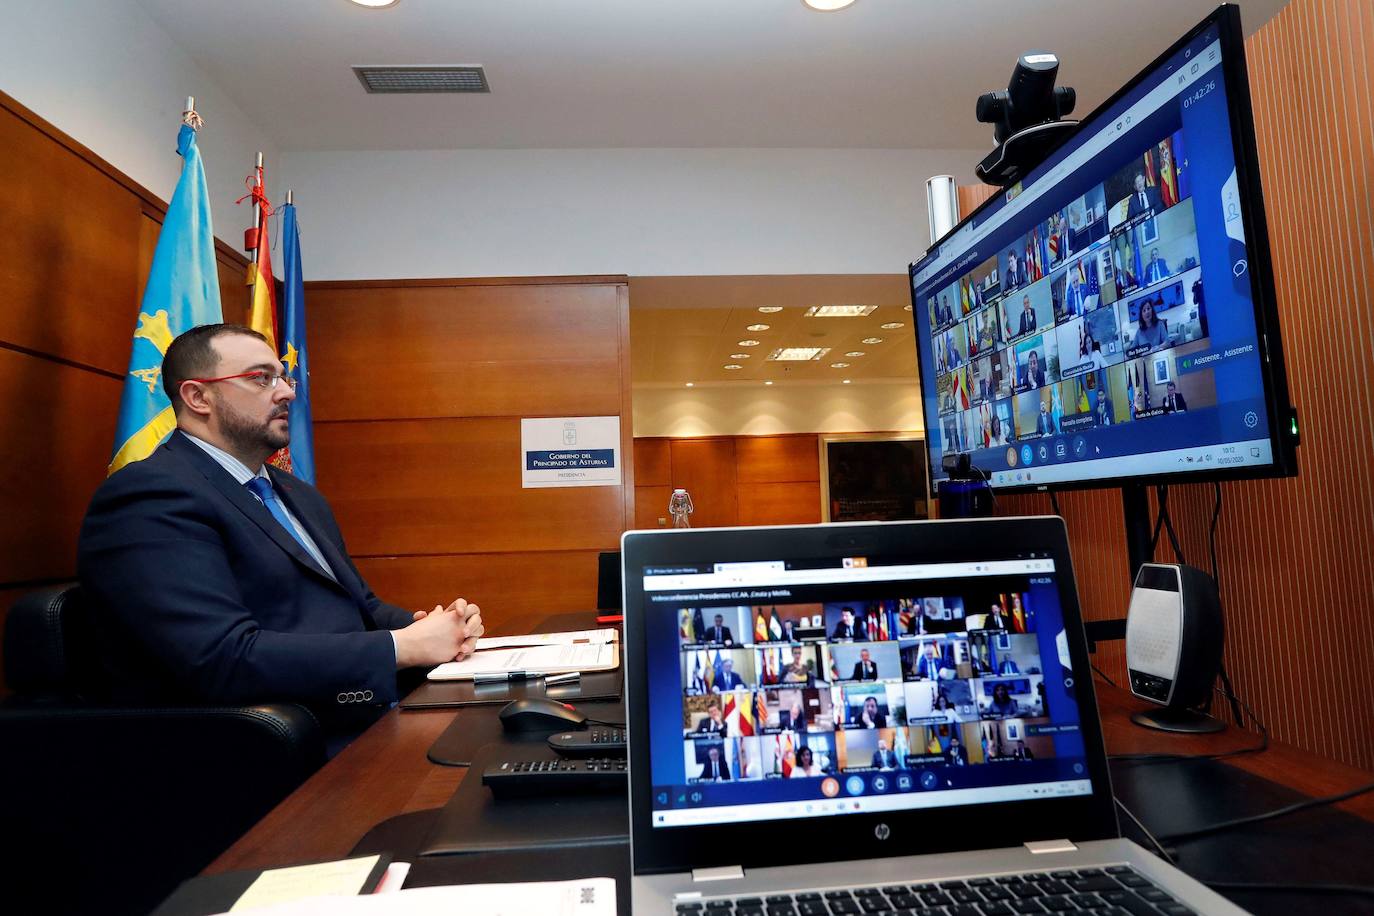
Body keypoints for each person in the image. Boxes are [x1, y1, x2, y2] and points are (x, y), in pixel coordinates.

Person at [77, 324, 483, 751]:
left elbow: (361, 608)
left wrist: (443, 633)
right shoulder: (149, 496)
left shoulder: (295, 493)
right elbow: (221, 659)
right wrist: (398, 647)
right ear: (198, 397)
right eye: (260, 378)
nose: (287, 393)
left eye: (283, 378)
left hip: (356, 718)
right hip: (256, 754)